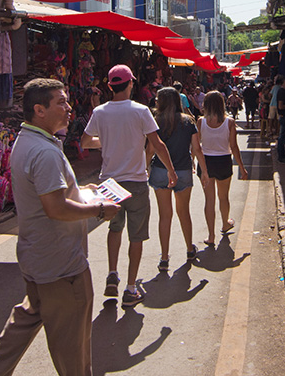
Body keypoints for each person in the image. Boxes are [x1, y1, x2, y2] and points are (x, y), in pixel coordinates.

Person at [0, 78, 120, 376]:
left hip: (38, 253)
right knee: (72, 330)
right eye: (61, 103)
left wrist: (83, 190)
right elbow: (56, 208)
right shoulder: (44, 151)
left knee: (30, 313)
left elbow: (58, 196)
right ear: (39, 110)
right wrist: (98, 208)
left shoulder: (29, 141)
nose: (68, 109)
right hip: (59, 258)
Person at [81, 65, 176, 307]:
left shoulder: (100, 112)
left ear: (110, 86)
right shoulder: (141, 111)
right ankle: (131, 288)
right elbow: (158, 143)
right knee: (137, 236)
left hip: (109, 183)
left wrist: (108, 140)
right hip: (136, 182)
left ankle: (112, 273)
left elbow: (85, 142)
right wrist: (171, 170)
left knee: (115, 228)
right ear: (131, 84)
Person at [150, 87, 203, 270]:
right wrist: (205, 172)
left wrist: (143, 168)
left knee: (165, 216)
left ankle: (164, 258)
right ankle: (189, 249)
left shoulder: (155, 121)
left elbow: (151, 149)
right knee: (184, 212)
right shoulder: (189, 122)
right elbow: (197, 149)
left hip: (159, 170)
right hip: (183, 170)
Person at [198, 90, 248, 246]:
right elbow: (234, 147)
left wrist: (193, 161)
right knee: (223, 197)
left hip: (206, 162)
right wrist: (242, 167)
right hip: (224, 161)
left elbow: (196, 145)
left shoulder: (201, 121)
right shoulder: (230, 122)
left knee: (209, 200)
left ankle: (211, 236)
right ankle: (226, 224)